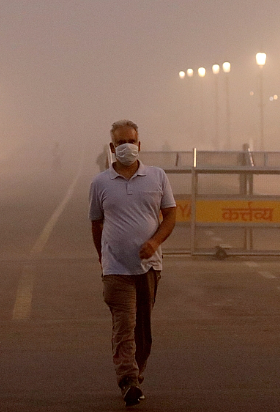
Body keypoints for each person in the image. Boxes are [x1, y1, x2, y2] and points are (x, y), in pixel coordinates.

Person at [88, 119, 177, 406]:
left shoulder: (157, 177)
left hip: (149, 267)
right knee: (124, 326)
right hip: (116, 269)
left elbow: (171, 215)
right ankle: (127, 380)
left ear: (139, 145)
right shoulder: (100, 182)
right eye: (121, 142)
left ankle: (136, 376)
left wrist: (154, 242)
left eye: (131, 141)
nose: (127, 146)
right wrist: (104, 258)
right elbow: (96, 223)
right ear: (112, 148)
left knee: (143, 330)